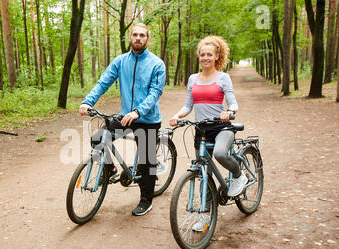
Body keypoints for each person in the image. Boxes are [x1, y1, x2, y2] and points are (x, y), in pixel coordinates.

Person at [79, 23, 166, 216]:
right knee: (98, 139)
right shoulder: (120, 61)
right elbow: (103, 82)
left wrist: (138, 111)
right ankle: (110, 170)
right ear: (130, 37)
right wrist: (87, 102)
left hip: (148, 119)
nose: (138, 38)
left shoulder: (157, 64)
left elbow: (155, 93)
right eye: (135, 34)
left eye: (142, 35)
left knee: (146, 162)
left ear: (147, 39)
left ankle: (146, 199)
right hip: (126, 116)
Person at [169, 35, 247, 231]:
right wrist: (177, 116)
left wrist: (229, 112)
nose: (205, 58)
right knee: (205, 174)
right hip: (201, 131)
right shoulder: (193, 79)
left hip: (222, 129)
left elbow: (233, 102)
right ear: (199, 56)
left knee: (220, 153)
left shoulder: (223, 77)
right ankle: (205, 216)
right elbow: (188, 105)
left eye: (209, 54)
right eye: (202, 54)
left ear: (216, 56)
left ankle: (239, 175)